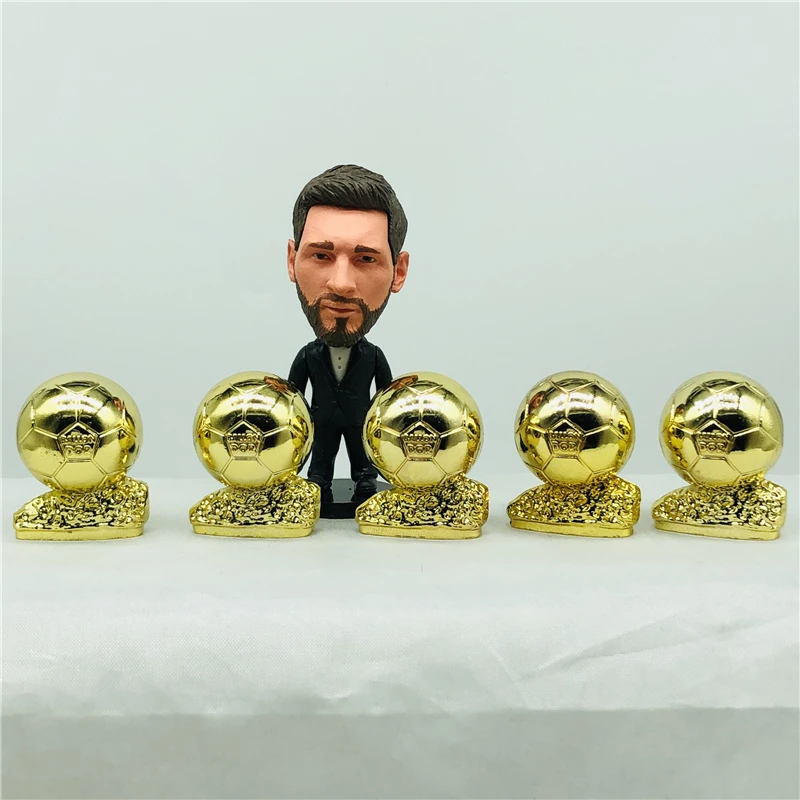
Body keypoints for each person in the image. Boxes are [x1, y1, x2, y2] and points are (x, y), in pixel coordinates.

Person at [287, 164, 410, 506]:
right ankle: (318, 479)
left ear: (398, 272)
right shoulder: (308, 356)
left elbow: (386, 399)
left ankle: (365, 478)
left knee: (361, 456)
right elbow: (292, 398)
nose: (341, 284)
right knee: (322, 458)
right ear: (291, 261)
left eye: (366, 258)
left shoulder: (373, 357)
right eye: (321, 255)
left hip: (359, 423)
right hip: (322, 423)